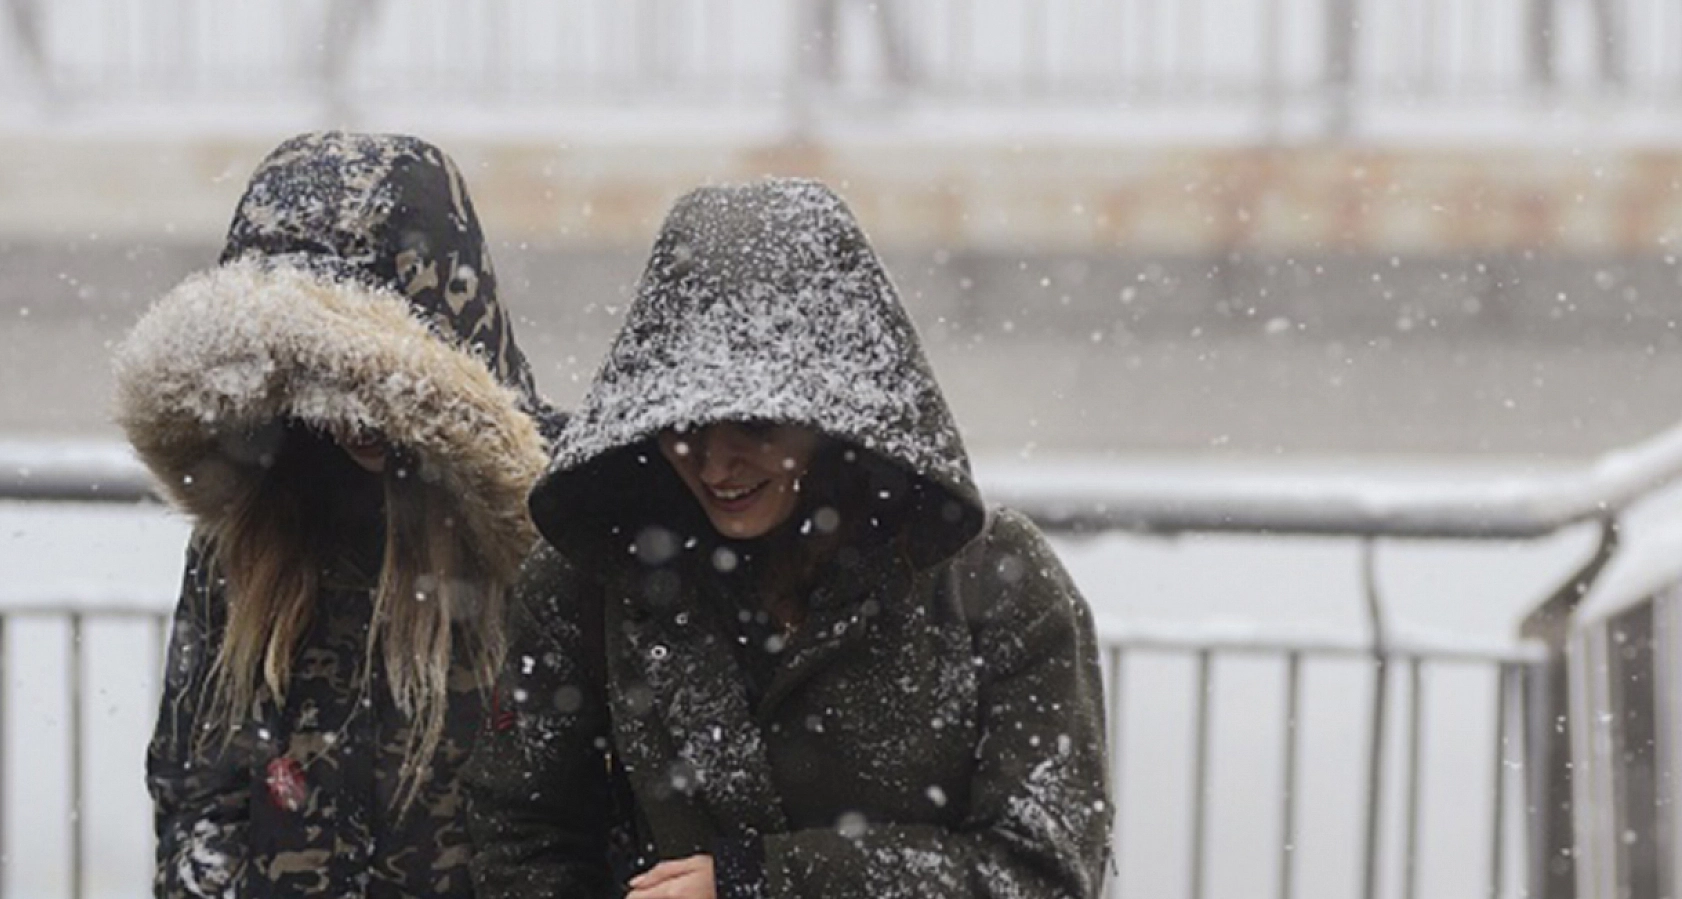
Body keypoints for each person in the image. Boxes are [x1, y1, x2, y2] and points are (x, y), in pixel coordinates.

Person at [467, 178, 1112, 898]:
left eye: (755, 426)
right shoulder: (590, 580)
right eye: (681, 428)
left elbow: (1043, 874)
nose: (715, 465)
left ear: (835, 419)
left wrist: (762, 882)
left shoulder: (997, 582)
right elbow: (523, 832)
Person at [116, 131, 560, 898]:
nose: (353, 411)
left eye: (372, 379)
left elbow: (588, 811)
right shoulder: (257, 525)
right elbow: (195, 786)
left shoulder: (556, 523)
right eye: (319, 373)